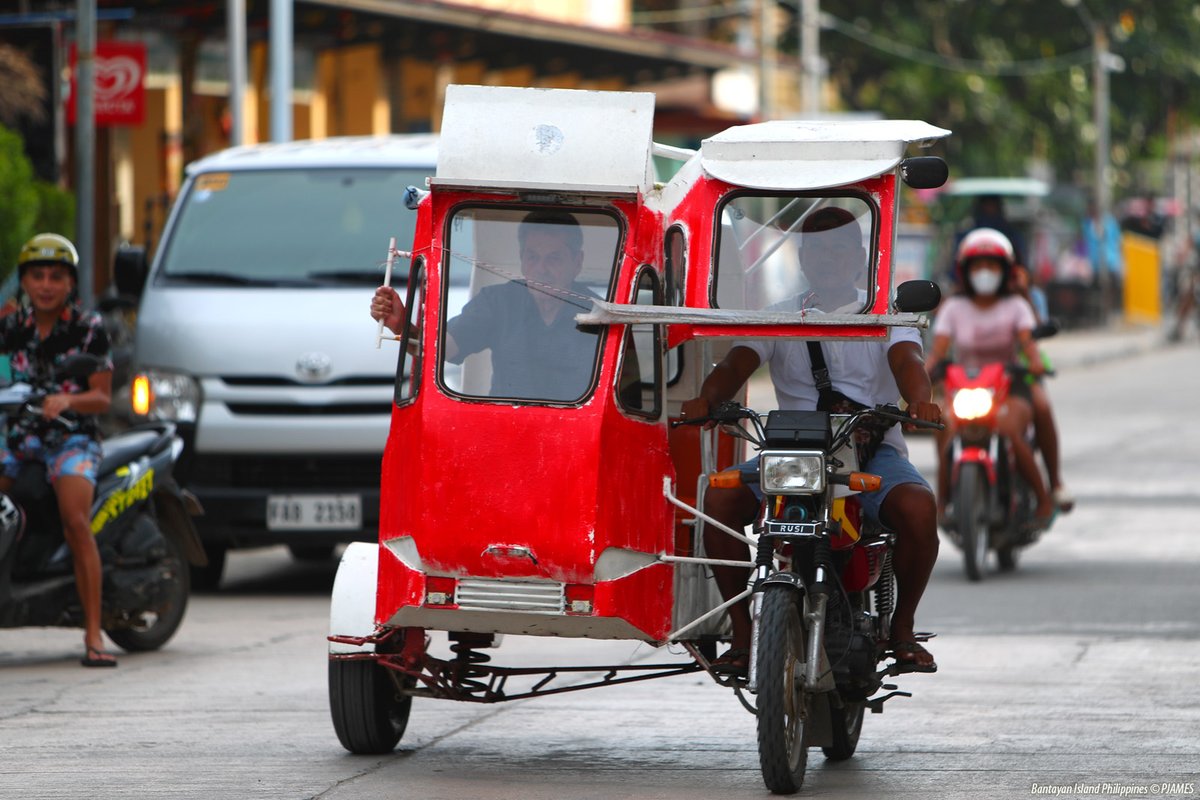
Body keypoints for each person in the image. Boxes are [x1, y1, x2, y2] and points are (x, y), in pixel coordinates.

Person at [681, 207, 944, 674]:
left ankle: (902, 628)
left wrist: (920, 400)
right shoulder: (779, 316)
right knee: (718, 503)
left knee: (920, 508)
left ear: (861, 256)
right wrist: (708, 396)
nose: (829, 259)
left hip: (871, 451)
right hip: (791, 455)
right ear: (804, 258)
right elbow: (736, 364)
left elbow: (908, 362)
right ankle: (742, 632)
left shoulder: (887, 312)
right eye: (818, 250)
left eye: (840, 249)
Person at [0, 233, 115, 667]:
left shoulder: (89, 329)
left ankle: (93, 634)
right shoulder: (11, 326)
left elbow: (102, 398)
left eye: (55, 276)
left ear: (70, 282)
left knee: (74, 521)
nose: (46, 285)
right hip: (19, 438)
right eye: (37, 276)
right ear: (23, 281)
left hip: (72, 439)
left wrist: (68, 400)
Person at [371, 210, 602, 401]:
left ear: (577, 262)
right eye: (532, 257)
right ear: (522, 261)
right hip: (503, 426)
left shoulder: (599, 314)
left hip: (577, 433)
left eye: (554, 258)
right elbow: (442, 350)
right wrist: (401, 326)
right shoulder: (499, 301)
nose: (541, 269)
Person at [925, 228, 1062, 530]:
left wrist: (1035, 363)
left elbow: (1028, 344)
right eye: (977, 266)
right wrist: (920, 375)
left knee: (1014, 424)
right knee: (944, 425)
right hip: (964, 388)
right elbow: (937, 352)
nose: (984, 272)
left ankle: (1045, 495)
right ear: (965, 271)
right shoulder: (953, 308)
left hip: (1009, 387)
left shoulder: (1016, 306)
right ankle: (943, 501)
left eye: (991, 266)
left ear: (1005, 271)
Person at [1008, 262, 1073, 512]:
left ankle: (1054, 482)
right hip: (977, 378)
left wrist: (1023, 294)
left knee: (1041, 406)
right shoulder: (964, 302)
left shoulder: (1026, 300)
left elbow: (1035, 331)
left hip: (1021, 374)